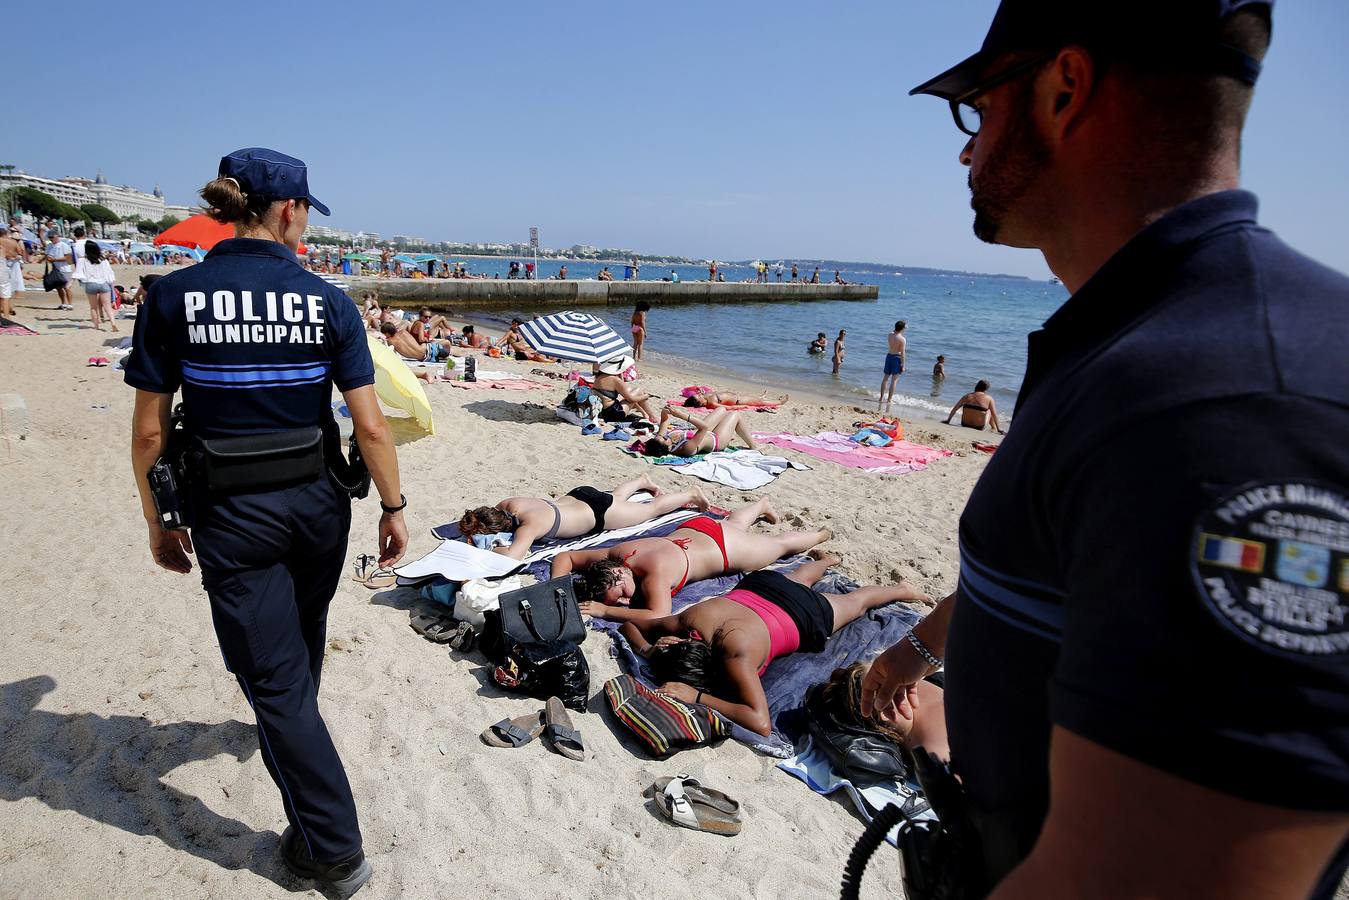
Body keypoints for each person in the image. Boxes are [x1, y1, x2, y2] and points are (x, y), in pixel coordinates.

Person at [862, 5, 1349, 898]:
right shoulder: (1141, 342)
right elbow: (1082, 567)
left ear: (1064, 88)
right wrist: (927, 647)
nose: (965, 151)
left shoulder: (1235, 397)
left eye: (978, 109)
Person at [124, 148, 408, 896]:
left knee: (274, 680)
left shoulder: (172, 297)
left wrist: (158, 522)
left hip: (230, 509)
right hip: (318, 505)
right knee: (299, 642)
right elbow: (371, 428)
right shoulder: (329, 300)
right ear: (288, 211)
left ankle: (334, 851)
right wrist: (395, 508)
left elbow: (150, 435)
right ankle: (291, 733)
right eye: (308, 209)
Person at [621, 552, 928, 735]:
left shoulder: (735, 656)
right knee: (797, 577)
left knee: (857, 603)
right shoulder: (687, 622)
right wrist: (648, 649)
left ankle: (900, 590)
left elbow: (760, 722)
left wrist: (697, 697)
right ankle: (828, 560)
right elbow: (629, 624)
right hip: (762, 585)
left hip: (801, 614)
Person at [552, 497, 832, 621]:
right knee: (732, 523)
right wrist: (556, 587)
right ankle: (761, 504)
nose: (626, 602)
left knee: (779, 544)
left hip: (726, 549)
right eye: (619, 602)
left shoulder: (654, 575)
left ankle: (820, 535)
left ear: (619, 574)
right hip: (699, 528)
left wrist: (605, 611)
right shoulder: (614, 556)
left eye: (622, 594)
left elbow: (658, 614)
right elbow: (566, 557)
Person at [456, 476, 711, 560]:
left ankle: (691, 493)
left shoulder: (529, 527)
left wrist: (488, 548)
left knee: (649, 511)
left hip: (597, 514)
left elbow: (513, 556)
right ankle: (641, 481)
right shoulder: (507, 505)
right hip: (579, 495)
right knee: (616, 500)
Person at [639, 405, 760, 457]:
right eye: (664, 439)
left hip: (701, 432)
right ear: (668, 448)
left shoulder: (660, 441)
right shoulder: (685, 448)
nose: (664, 436)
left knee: (722, 409)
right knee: (734, 415)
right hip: (716, 440)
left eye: (662, 436)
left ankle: (729, 432)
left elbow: (664, 422)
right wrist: (682, 415)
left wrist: (665, 412)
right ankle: (754, 446)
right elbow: (704, 428)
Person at [592, 354, 658, 423]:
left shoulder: (599, 376)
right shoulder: (615, 380)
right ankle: (652, 416)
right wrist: (646, 396)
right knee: (638, 391)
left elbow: (624, 389)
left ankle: (645, 414)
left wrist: (620, 373)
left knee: (630, 391)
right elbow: (631, 399)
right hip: (613, 414)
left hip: (602, 412)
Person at [74, 239, 118, 332]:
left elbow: (78, 273)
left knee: (93, 307)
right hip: (103, 283)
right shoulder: (103, 260)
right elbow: (109, 274)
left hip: (91, 284)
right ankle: (113, 323)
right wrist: (109, 282)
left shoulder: (82, 260)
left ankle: (96, 326)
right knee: (107, 306)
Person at [381, 321, 454, 363]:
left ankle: (445, 355)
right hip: (428, 348)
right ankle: (447, 354)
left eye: (384, 334)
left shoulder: (390, 341)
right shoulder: (403, 332)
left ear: (387, 333)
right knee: (447, 344)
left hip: (426, 358)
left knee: (445, 350)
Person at [878, 320, 907, 410]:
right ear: (902, 328)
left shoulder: (890, 334)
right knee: (894, 380)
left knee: (885, 378)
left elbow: (894, 332)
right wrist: (903, 364)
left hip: (889, 356)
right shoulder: (902, 339)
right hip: (897, 358)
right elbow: (902, 353)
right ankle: (889, 400)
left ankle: (881, 398)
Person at [44, 229, 75, 311]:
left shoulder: (64, 245)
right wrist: (49, 258)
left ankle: (70, 304)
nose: (51, 239)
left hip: (65, 269)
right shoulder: (49, 246)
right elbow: (47, 255)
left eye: (52, 237)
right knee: (58, 288)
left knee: (66, 287)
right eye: (49, 237)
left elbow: (68, 258)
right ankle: (63, 303)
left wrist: (55, 260)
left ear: (57, 236)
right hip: (55, 269)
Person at [0, 227, 28, 317]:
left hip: (4, 262)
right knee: (7, 290)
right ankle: (7, 313)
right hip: (10, 263)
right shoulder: (13, 242)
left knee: (4, 291)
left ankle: (7, 309)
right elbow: (19, 252)